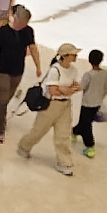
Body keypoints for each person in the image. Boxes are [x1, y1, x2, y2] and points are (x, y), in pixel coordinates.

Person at [16, 41, 84, 177]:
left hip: (65, 106)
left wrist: (65, 90)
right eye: (73, 54)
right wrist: (65, 90)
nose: (75, 56)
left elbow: (75, 87)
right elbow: (53, 91)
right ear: (65, 55)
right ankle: (24, 146)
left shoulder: (73, 70)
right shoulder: (55, 70)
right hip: (51, 105)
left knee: (63, 135)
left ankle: (64, 162)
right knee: (39, 130)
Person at [0, 5, 42, 140]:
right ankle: (0, 128)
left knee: (7, 99)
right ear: (17, 19)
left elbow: (33, 48)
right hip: (3, 69)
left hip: (18, 70)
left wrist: (38, 66)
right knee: (4, 98)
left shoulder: (28, 31)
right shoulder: (4, 31)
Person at [73, 48, 107, 157]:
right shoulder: (105, 73)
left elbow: (81, 86)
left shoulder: (88, 75)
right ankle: (74, 131)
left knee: (86, 125)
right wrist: (101, 96)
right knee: (85, 121)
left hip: (87, 103)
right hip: (97, 103)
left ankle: (90, 145)